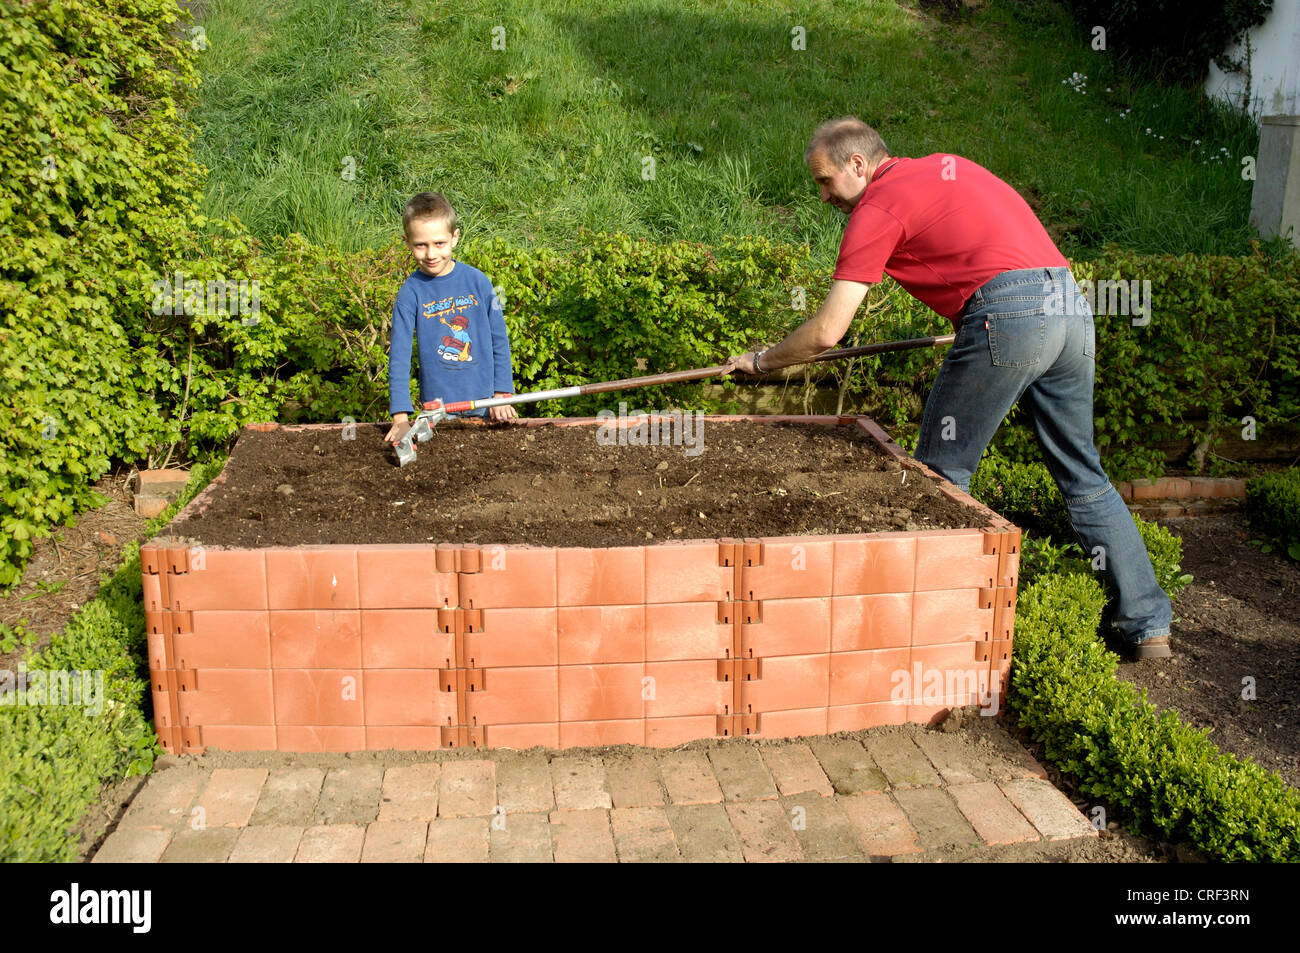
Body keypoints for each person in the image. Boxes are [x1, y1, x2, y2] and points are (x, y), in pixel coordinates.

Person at [725, 117, 1173, 660]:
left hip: (1010, 317)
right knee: (1083, 472)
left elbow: (825, 332)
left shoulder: (877, 207)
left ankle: (930, 636)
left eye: (824, 181)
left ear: (858, 165)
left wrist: (763, 360)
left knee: (938, 477)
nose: (823, 197)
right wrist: (988, 313)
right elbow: (999, 254)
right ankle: (1148, 627)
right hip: (1069, 310)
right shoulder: (947, 168)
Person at [385, 192, 516, 444]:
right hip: (439, 411)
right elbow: (399, 356)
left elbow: (499, 339)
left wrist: (502, 394)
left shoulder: (478, 281)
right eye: (420, 245)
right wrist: (400, 418)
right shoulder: (410, 292)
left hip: (486, 405)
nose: (431, 254)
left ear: (455, 237)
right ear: (407, 242)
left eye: (439, 243)